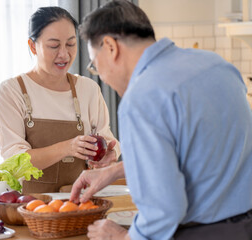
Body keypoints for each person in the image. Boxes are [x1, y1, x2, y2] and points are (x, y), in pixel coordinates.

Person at [70, 1, 252, 239]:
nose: (102, 77)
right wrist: (114, 171)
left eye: (95, 65)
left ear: (110, 47)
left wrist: (121, 237)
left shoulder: (141, 97)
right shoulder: (217, 65)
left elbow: (164, 210)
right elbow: (199, 154)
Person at [0, 6, 120, 194]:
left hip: (78, 202)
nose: (64, 54)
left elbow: (107, 137)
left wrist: (110, 154)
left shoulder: (88, 89)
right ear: (32, 46)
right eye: (53, 46)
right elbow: (15, 160)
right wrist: (67, 147)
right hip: (29, 207)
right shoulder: (12, 91)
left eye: (70, 44)